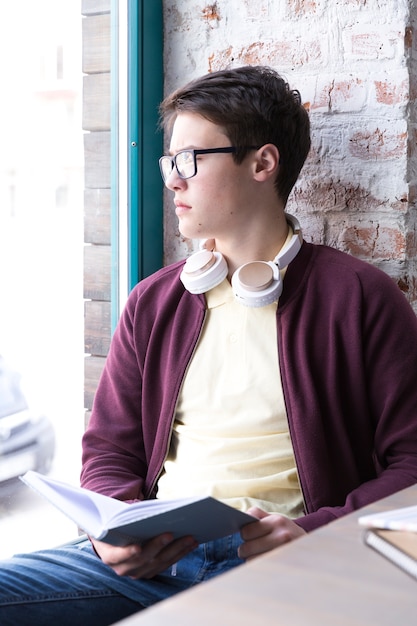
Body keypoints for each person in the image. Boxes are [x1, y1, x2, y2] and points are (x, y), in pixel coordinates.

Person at [1, 65, 417, 625]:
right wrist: (115, 534)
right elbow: (108, 453)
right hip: (152, 565)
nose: (173, 179)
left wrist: (311, 535)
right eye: (169, 162)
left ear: (262, 163)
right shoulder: (154, 302)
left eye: (191, 160)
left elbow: (411, 463)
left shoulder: (359, 296)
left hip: (287, 568)